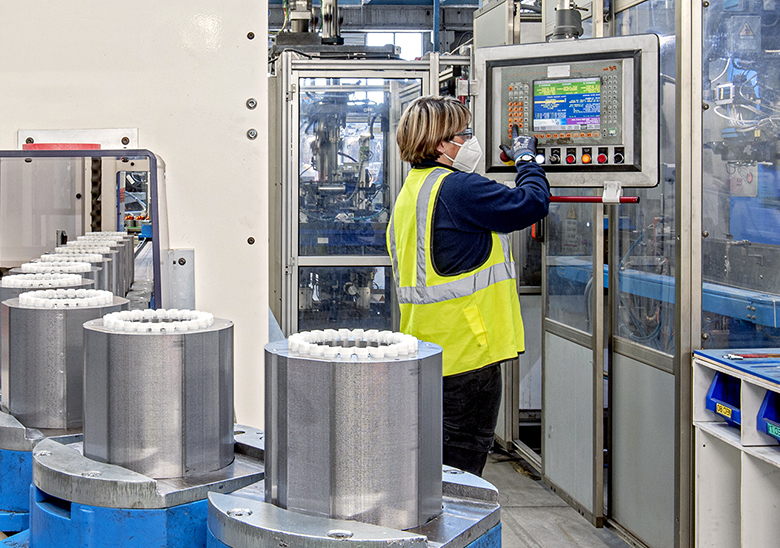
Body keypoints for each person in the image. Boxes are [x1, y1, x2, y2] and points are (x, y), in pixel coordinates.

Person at [387, 95, 550, 476]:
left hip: (429, 350)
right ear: (442, 144)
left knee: (433, 466)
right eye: (465, 134)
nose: (470, 141)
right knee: (459, 472)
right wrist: (527, 159)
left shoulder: (412, 191)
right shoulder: (458, 189)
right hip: (468, 355)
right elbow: (530, 204)